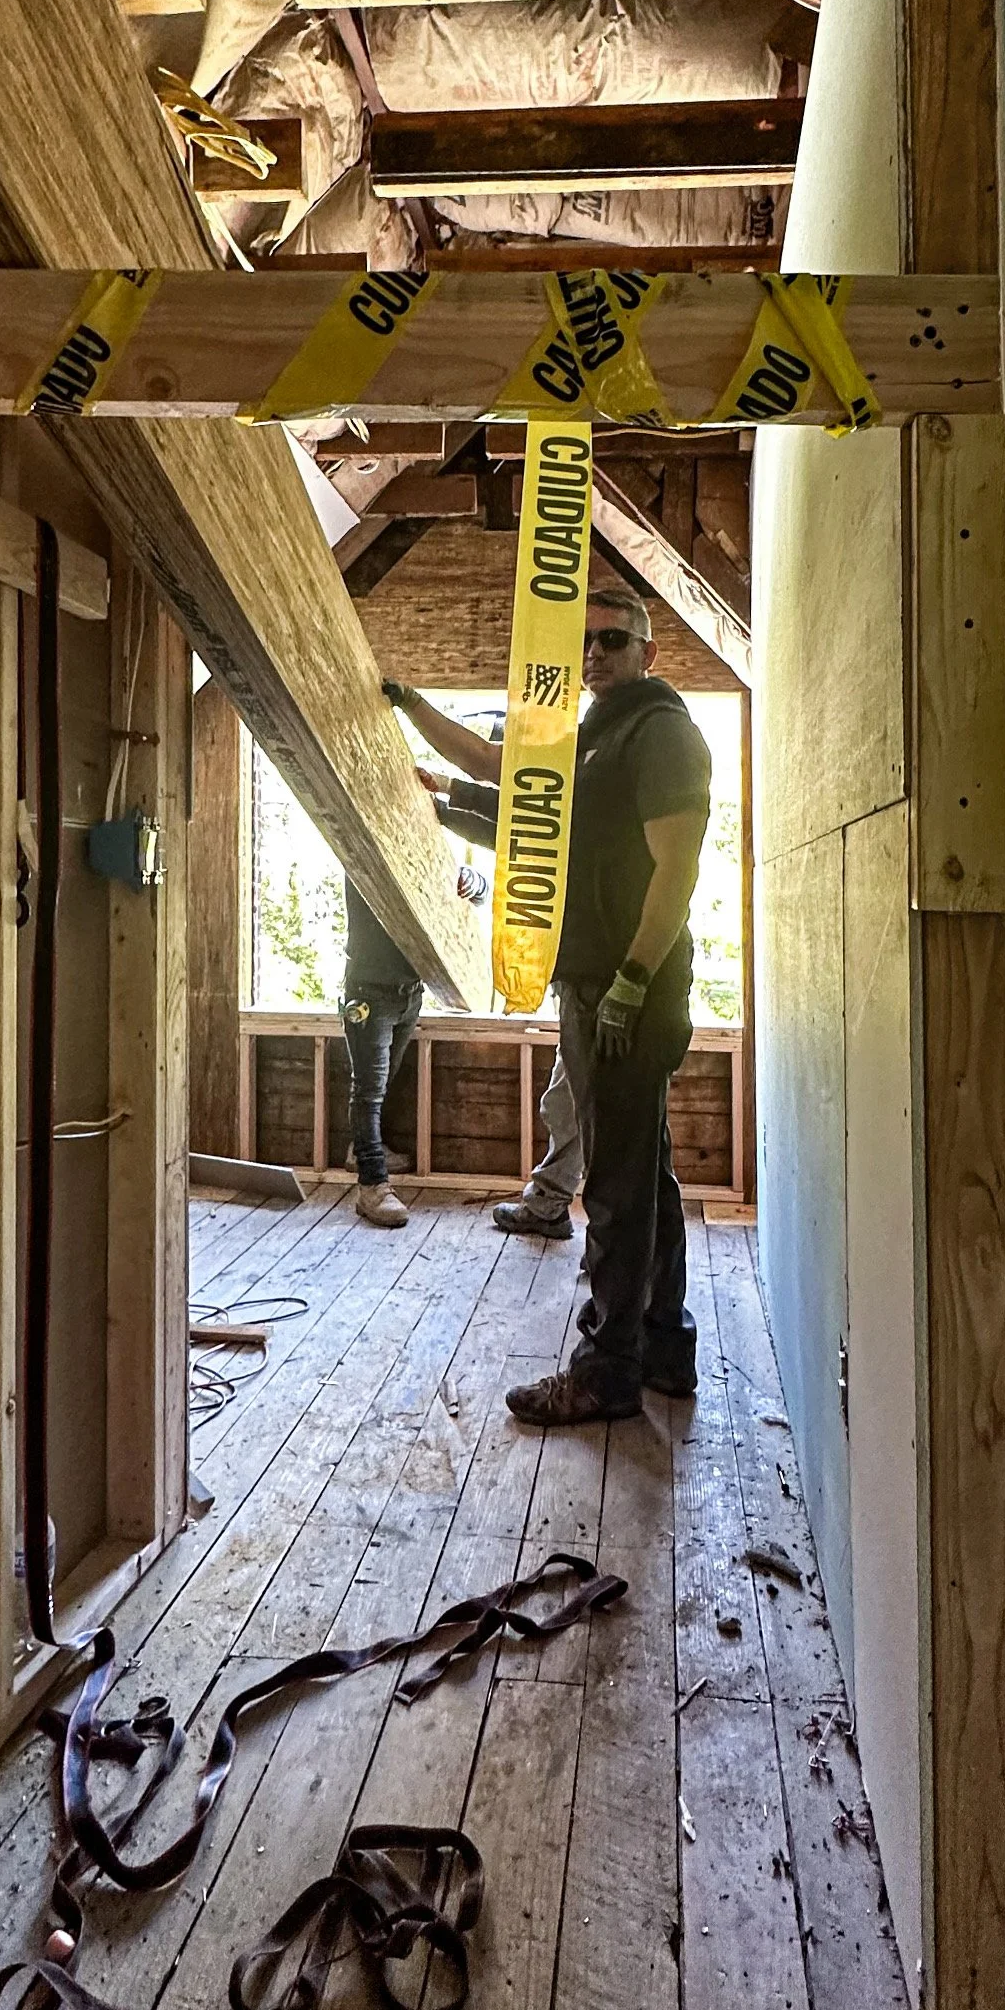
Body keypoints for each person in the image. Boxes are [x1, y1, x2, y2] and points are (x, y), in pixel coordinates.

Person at [436, 573, 713, 1424]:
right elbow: (524, 802)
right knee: (647, 1176)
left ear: (647, 651)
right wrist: (422, 731)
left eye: (612, 640)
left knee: (621, 1188)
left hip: (629, 990)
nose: (594, 654)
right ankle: (666, 1349)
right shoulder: (594, 736)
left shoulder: (660, 733)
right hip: (600, 984)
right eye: (584, 642)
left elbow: (679, 867)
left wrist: (631, 981)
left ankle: (605, 1369)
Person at [385, 682, 582, 1242]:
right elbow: (504, 830)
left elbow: (508, 814)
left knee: (569, 1099)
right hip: (580, 969)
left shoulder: (563, 785)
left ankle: (553, 1204)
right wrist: (444, 805)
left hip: (598, 972)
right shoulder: (549, 794)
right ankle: (555, 1203)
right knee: (568, 1096)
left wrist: (448, 788)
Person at [339, 857, 489, 1228]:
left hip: (410, 992)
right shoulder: (363, 849)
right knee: (369, 1090)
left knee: (382, 1083)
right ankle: (372, 1186)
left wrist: (475, 884)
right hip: (369, 992)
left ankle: (363, 1151)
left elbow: (479, 896)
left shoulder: (422, 850)